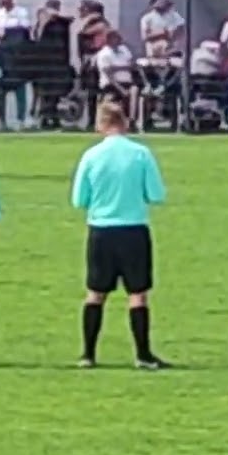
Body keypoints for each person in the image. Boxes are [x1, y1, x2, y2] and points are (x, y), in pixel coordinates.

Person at [71, 101, 170, 370]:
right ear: (124, 122)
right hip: (133, 230)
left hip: (101, 231)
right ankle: (143, 355)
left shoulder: (91, 156)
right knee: (137, 294)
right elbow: (156, 195)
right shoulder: (140, 154)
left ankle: (88, 354)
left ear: (100, 124)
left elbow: (79, 200)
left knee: (95, 293)